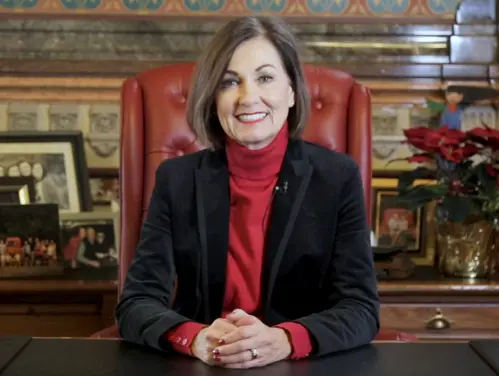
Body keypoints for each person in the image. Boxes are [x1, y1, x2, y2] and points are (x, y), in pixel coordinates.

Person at [116, 15, 380, 369]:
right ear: (213, 98)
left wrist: (284, 340)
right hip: (205, 363)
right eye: (229, 82)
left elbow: (361, 309)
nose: (247, 97)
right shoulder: (176, 179)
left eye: (265, 78)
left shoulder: (337, 178)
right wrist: (195, 338)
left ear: (291, 91)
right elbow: (136, 303)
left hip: (300, 365)